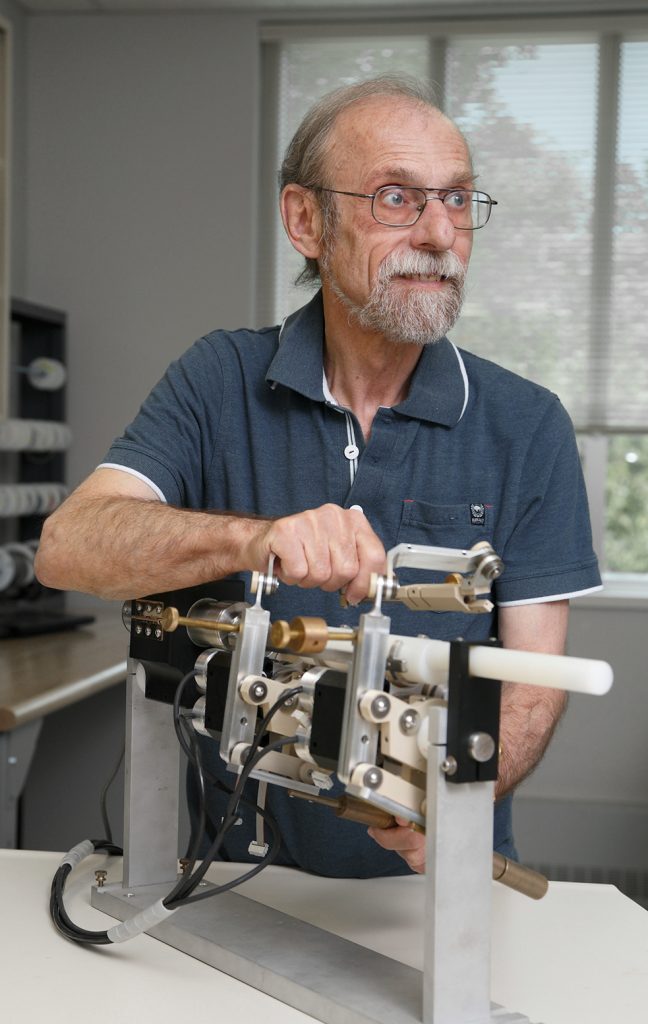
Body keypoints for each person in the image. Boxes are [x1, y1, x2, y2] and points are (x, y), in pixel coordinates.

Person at [35, 76, 601, 878]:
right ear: (306, 220)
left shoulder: (527, 422)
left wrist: (449, 795)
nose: (440, 233)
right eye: (397, 197)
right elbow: (69, 547)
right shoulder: (217, 378)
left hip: (436, 885)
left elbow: (534, 681)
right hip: (227, 886)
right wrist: (256, 538)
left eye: (458, 199)